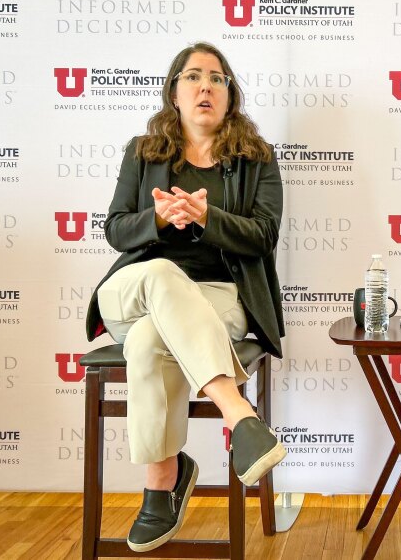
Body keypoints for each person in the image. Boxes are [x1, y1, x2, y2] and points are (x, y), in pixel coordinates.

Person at [85, 42, 287, 553]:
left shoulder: (255, 159)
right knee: (159, 275)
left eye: (217, 79)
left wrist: (205, 218)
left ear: (229, 96)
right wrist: (157, 218)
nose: (205, 86)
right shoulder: (142, 152)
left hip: (218, 297)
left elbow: (263, 236)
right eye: (193, 77)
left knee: (153, 339)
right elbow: (115, 229)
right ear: (174, 92)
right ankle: (239, 416)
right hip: (134, 288)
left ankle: (161, 486)